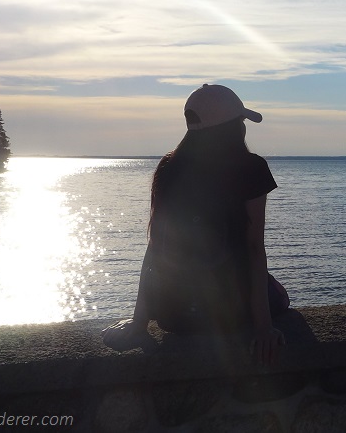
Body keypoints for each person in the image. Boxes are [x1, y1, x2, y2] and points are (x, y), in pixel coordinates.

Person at [102, 84, 288, 364]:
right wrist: (263, 328)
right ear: (233, 125)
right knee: (279, 295)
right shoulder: (251, 168)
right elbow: (253, 248)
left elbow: (155, 247)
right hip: (231, 315)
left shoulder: (168, 168)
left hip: (174, 315)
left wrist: (140, 320)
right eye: (240, 121)